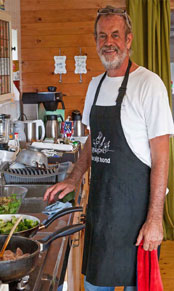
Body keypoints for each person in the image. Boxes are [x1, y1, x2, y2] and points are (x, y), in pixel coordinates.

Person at [44, 6, 174, 290]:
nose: (108, 42)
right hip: (101, 215)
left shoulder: (150, 85)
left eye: (115, 35)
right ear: (96, 42)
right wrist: (74, 177)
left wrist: (154, 220)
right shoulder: (95, 85)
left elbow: (162, 158)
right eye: (102, 36)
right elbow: (94, 140)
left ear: (128, 40)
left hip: (137, 217)